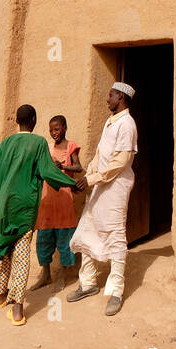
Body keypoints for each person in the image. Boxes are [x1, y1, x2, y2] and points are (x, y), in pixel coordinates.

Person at [0, 103, 78, 326]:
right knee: (21, 254)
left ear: (17, 121)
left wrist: (2, 186)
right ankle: (18, 309)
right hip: (25, 209)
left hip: (5, 207)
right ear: (35, 120)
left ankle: (0, 296)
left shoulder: (6, 142)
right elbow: (48, 171)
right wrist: (71, 183)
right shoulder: (38, 143)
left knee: (5, 248)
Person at [67, 82, 138, 317]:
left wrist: (93, 179)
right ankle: (88, 283)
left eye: (110, 95)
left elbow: (120, 162)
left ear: (121, 97)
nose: (107, 99)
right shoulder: (110, 122)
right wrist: (87, 179)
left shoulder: (127, 124)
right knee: (88, 229)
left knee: (115, 235)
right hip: (99, 185)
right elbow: (100, 156)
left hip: (115, 188)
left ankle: (116, 291)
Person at [31, 114, 83, 291]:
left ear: (65, 128)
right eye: (51, 130)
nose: (54, 133)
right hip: (47, 200)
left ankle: (62, 275)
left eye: (57, 129)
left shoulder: (71, 147)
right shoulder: (47, 148)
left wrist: (63, 167)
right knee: (44, 239)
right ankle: (45, 274)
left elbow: (78, 167)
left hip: (64, 201)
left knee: (64, 239)